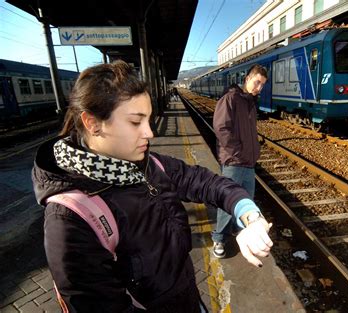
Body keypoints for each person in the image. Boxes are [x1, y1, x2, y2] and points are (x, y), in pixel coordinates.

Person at [31, 60, 273, 313]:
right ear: (92, 123)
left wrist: (249, 214)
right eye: (136, 122)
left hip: (188, 298)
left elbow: (209, 182)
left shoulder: (151, 165)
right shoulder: (70, 220)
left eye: (148, 119)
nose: (149, 133)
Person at [211, 64, 268, 258]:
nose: (259, 87)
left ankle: (241, 233)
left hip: (248, 163)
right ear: (247, 79)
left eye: (262, 85)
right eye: (257, 82)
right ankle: (218, 239)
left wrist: (253, 151)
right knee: (228, 202)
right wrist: (237, 152)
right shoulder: (231, 98)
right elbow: (221, 128)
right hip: (234, 163)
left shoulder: (250, 102)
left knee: (246, 202)